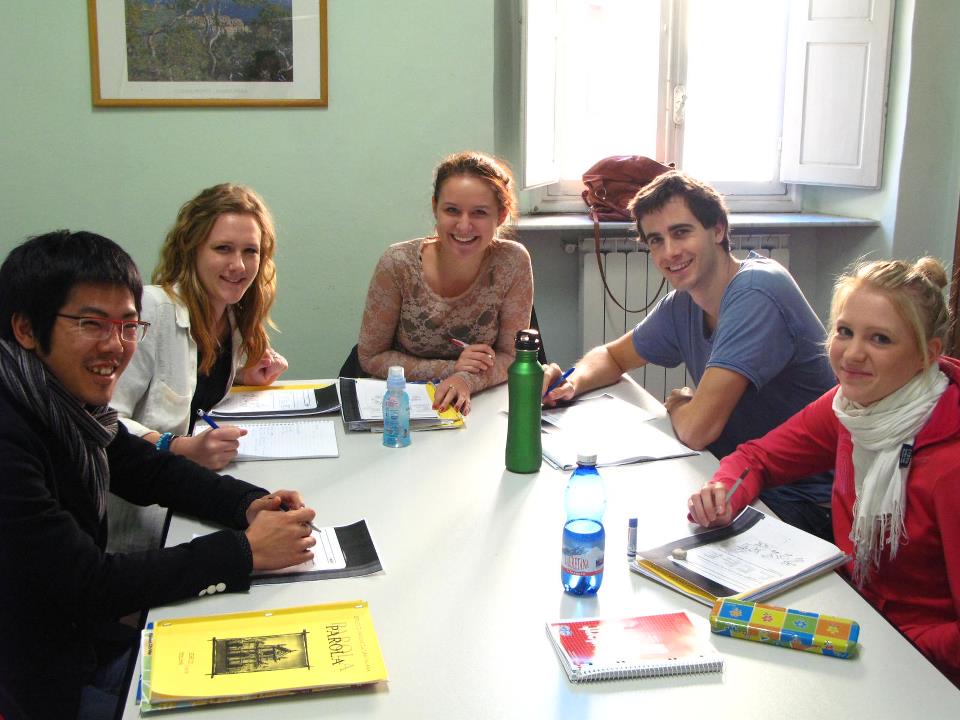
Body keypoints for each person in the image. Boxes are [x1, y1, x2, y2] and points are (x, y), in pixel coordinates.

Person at [0, 231, 318, 719]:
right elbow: (86, 582)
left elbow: (143, 467)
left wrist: (247, 504)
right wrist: (245, 551)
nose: (116, 347)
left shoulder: (63, 404)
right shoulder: (12, 429)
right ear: (26, 328)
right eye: (91, 324)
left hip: (77, 640)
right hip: (34, 679)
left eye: (129, 326)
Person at [687, 257, 960, 687]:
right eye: (844, 331)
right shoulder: (850, 407)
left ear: (928, 354)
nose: (852, 354)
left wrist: (888, 642)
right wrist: (722, 493)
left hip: (925, 673)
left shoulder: (950, 467)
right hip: (860, 625)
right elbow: (758, 458)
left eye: (881, 339)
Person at [542, 170, 837, 538]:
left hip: (805, 503)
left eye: (681, 232)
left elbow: (698, 429)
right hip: (735, 479)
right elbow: (613, 357)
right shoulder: (683, 304)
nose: (669, 252)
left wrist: (681, 403)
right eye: (655, 240)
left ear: (718, 230)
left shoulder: (758, 289)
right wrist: (571, 383)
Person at [111, 184, 288, 552]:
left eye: (249, 251)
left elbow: (192, 382)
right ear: (191, 249)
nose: (238, 265)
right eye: (222, 248)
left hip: (192, 497)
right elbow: (104, 421)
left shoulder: (232, 317)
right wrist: (177, 446)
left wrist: (243, 375)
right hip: (135, 518)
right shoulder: (151, 309)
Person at [357, 151, 534, 416]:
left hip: (482, 407)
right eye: (452, 210)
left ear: (501, 215)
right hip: (402, 406)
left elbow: (512, 356)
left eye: (479, 213)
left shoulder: (513, 261)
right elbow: (371, 357)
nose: (464, 226)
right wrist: (452, 370)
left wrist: (466, 380)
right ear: (435, 207)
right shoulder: (398, 263)